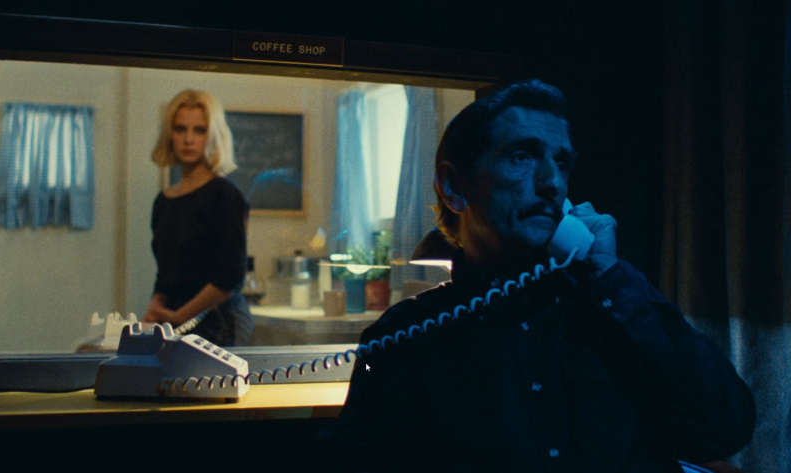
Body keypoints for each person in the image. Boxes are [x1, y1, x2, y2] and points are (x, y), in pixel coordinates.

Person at [320, 79, 756, 471]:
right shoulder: (405, 338)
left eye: (562, 163)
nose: (553, 183)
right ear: (454, 187)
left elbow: (726, 430)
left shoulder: (615, 310)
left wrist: (611, 277)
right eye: (522, 156)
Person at [142, 89, 253, 346]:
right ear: (169, 134)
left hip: (220, 321)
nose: (188, 139)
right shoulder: (164, 201)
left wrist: (179, 317)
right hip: (177, 320)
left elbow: (231, 276)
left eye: (199, 130)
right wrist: (156, 306)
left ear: (213, 135)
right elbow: (167, 275)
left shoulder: (224, 194)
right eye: (180, 129)